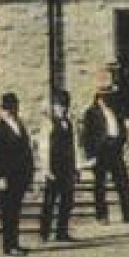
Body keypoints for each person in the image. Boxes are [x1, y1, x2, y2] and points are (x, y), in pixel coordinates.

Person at [0, 92, 36, 257]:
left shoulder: (19, 126)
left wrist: (30, 174)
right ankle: (9, 246)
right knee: (7, 212)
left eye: (13, 107)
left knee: (15, 211)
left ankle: (15, 243)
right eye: (7, 108)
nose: (11, 111)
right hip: (6, 178)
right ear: (2, 110)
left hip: (19, 176)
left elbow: (26, 151)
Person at [81, 83, 129, 224]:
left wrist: (122, 140)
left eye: (109, 96)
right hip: (101, 150)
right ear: (99, 97)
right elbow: (86, 136)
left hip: (115, 149)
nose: (108, 99)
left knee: (123, 182)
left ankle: (128, 213)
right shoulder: (91, 112)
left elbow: (121, 127)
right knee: (100, 185)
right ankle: (101, 215)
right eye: (105, 96)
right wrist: (91, 155)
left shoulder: (116, 110)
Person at [40, 90, 79, 243]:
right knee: (49, 201)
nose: (62, 109)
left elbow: (73, 147)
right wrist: (46, 168)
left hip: (67, 168)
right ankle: (45, 232)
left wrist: (75, 168)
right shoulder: (49, 124)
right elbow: (44, 147)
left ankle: (62, 232)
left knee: (67, 201)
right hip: (54, 168)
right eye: (59, 106)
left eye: (65, 106)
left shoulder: (69, 124)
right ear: (54, 107)